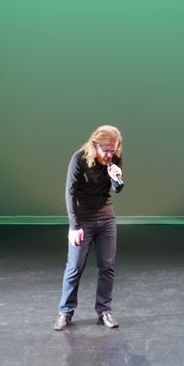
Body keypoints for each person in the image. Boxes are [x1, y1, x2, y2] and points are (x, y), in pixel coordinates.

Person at [55, 125, 125, 330]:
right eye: (106, 150)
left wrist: (117, 179)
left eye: (114, 150)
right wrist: (74, 226)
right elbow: (70, 193)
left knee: (107, 266)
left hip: (106, 219)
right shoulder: (78, 159)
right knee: (75, 267)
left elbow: (117, 189)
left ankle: (104, 310)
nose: (110, 154)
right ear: (95, 145)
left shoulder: (114, 158)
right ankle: (65, 312)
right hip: (83, 220)